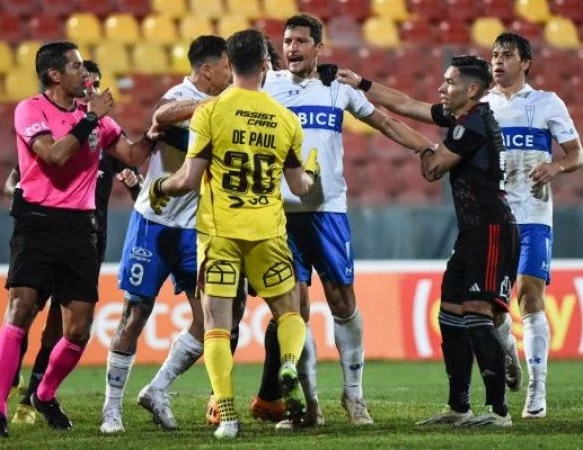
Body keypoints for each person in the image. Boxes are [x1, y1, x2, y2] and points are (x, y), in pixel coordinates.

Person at [254, 14, 433, 429]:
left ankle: (354, 396)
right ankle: (310, 406)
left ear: (319, 48)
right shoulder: (266, 86)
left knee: (342, 302)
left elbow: (383, 121)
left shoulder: (338, 86)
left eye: (301, 41)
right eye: (287, 41)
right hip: (279, 213)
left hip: (328, 211)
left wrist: (426, 148)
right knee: (293, 311)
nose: (292, 48)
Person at [148, 28, 319, 439]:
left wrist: (159, 187)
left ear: (230, 63)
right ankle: (288, 364)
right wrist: (312, 170)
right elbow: (300, 187)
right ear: (266, 65)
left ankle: (226, 416)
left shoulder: (210, 113)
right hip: (268, 233)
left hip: (221, 234)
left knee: (217, 327)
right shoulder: (285, 119)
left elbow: (188, 179)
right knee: (290, 313)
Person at [0, 41, 155, 439]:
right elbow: (54, 155)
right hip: (37, 221)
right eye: (77, 66)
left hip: (81, 228)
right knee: (20, 309)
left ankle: (43, 393)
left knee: (77, 330)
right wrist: (91, 118)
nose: (86, 73)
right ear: (55, 75)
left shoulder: (93, 118)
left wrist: (158, 131)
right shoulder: (31, 109)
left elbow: (131, 155)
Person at [337, 55, 519, 426]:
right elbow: (407, 104)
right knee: (450, 313)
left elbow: (434, 169)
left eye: (450, 82)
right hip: (471, 232)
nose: (441, 88)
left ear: (472, 89)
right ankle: (459, 407)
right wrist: (361, 83)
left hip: (491, 230)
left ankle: (499, 412)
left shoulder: (474, 124)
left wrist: (422, 147)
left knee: (477, 312)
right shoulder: (460, 118)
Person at [99, 35, 236, 434]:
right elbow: (161, 115)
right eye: (225, 67)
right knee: (136, 313)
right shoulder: (181, 95)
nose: (230, 73)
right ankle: (111, 409)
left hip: (197, 229)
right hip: (154, 222)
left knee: (209, 320)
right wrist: (209, 105)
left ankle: (157, 389)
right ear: (207, 69)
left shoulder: (230, 101)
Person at [483, 33, 583, 419]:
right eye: (494, 55)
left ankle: (537, 389)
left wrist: (556, 166)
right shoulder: (482, 106)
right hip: (495, 219)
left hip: (534, 216)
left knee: (529, 297)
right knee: (493, 308)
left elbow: (576, 154)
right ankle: (510, 355)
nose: (498, 61)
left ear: (525, 62)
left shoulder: (546, 103)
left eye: (506, 55)